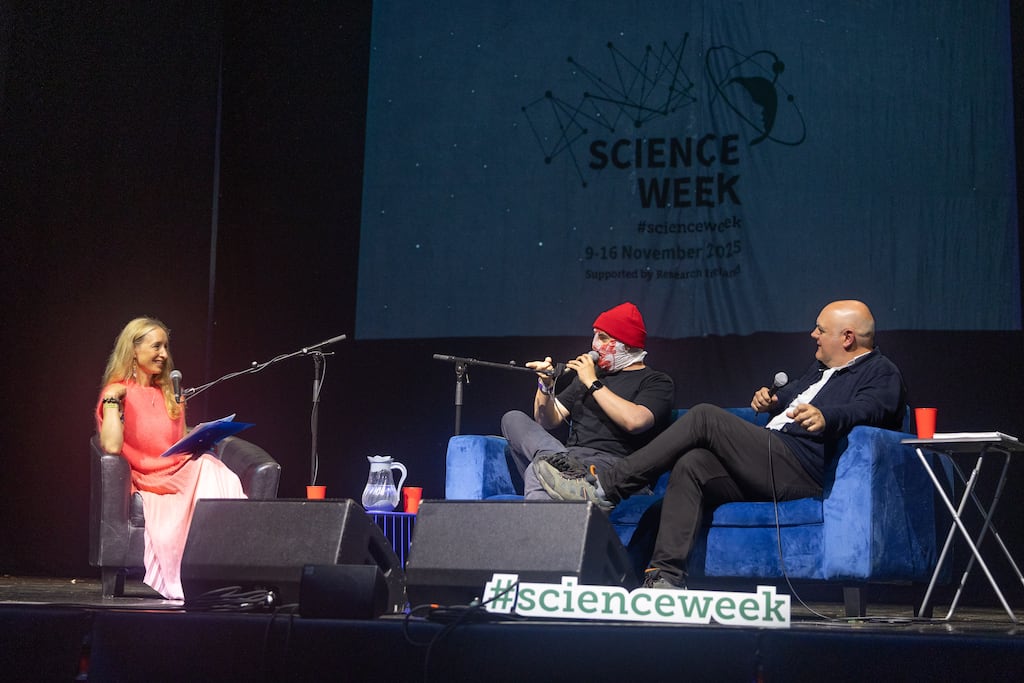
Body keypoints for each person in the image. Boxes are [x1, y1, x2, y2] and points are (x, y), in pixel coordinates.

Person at [534, 300, 906, 589]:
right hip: (772, 456)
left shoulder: (881, 372)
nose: (813, 335)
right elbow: (793, 393)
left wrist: (828, 416)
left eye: (820, 330)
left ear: (847, 338)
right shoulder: (821, 370)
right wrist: (773, 400)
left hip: (798, 465)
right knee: (693, 463)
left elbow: (875, 409)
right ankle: (665, 577)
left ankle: (605, 487)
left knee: (705, 417)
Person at [96, 317, 246, 600]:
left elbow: (174, 443)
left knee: (216, 469)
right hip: (151, 479)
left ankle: (225, 570)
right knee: (211, 470)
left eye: (166, 346)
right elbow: (112, 446)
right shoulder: (117, 393)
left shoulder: (170, 394)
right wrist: (112, 399)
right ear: (134, 350)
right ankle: (197, 578)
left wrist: (200, 438)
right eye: (156, 346)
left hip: (179, 469)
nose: (164, 354)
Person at [502, 302, 675, 500]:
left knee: (536, 471)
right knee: (512, 419)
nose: (595, 344)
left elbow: (635, 421)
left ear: (626, 345)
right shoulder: (588, 377)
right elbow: (547, 421)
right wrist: (545, 385)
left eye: (603, 337)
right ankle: (559, 464)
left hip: (613, 467)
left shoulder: (656, 381)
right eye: (595, 336)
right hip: (571, 457)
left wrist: (592, 382)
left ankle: (554, 469)